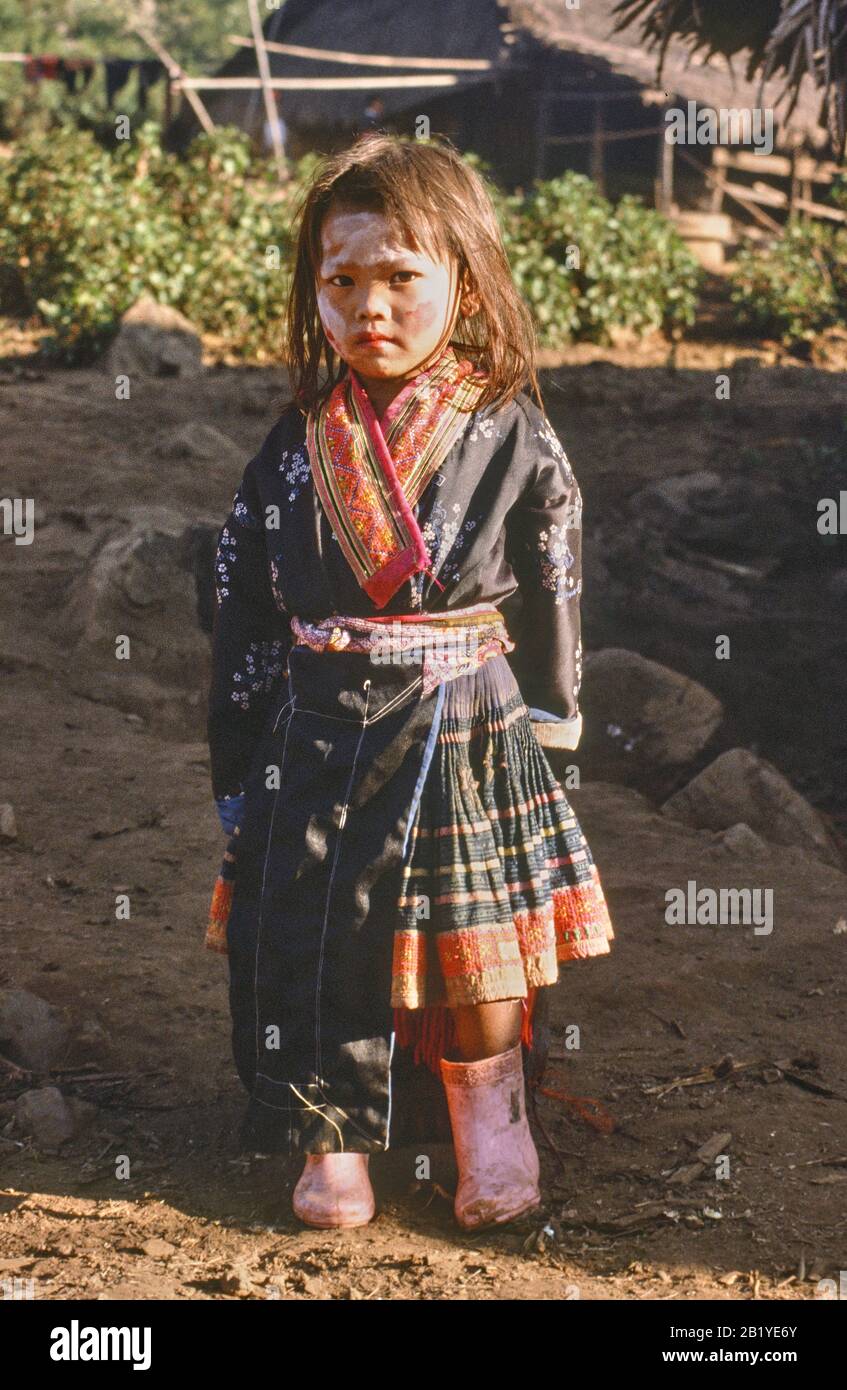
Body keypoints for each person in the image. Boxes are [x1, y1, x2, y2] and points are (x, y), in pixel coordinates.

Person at [205, 133, 614, 1233]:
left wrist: (552, 720)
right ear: (314, 289)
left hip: (464, 714)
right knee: (314, 932)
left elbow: (552, 577)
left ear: (465, 284)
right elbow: (241, 591)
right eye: (341, 282)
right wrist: (241, 741)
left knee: (469, 940)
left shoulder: (509, 427)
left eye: (400, 279)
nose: (367, 308)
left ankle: (493, 1128)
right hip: (319, 714)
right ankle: (326, 1136)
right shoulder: (295, 445)